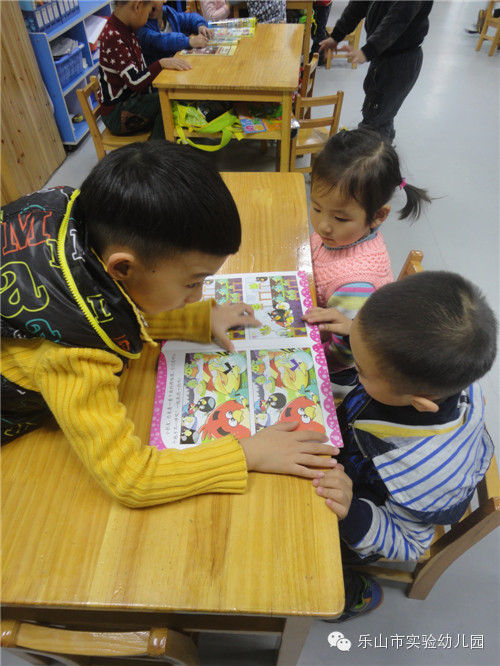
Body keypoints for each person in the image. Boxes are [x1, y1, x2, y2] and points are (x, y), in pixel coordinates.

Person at [0, 141, 337, 508]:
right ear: (123, 267)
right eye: (192, 283)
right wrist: (248, 452)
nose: (198, 294)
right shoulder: (73, 358)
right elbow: (132, 478)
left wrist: (197, 317)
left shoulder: (80, 224)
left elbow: (113, 301)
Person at [309, 271, 497, 621]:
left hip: (364, 515)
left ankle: (352, 595)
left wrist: (352, 512)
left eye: (361, 368)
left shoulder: (426, 472)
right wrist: (357, 333)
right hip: (349, 452)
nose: (356, 369)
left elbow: (408, 542)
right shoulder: (439, 375)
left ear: (419, 402)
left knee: (303, 562)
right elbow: (376, 378)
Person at [303, 128, 431, 381]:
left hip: (331, 361)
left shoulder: (355, 285)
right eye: (316, 208)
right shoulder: (343, 234)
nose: (323, 226)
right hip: (315, 310)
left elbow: (345, 354)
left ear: (377, 216)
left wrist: (306, 362)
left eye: (340, 218)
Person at [319, 1, 434, 142]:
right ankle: (384, 144)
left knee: (374, 123)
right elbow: (359, 4)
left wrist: (368, 51)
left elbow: (398, 19)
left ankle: (375, 151)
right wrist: (337, 35)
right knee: (381, 111)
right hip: (383, 53)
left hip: (400, 59)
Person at [98, 0, 191, 140]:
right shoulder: (113, 36)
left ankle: (163, 145)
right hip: (116, 114)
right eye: (149, 12)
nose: (148, 18)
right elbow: (135, 81)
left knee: (169, 98)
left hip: (132, 102)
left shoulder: (128, 28)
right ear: (137, 6)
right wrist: (161, 64)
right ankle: (155, 150)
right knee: (165, 102)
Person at [138, 1, 214, 66]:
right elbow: (158, 41)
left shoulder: (169, 13)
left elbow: (189, 18)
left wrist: (200, 25)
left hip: (179, 65)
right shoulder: (141, 24)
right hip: (160, 74)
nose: (150, 2)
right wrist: (188, 41)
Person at [310, 1, 332, 66]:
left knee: (319, 31)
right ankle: (315, 54)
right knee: (316, 30)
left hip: (322, 4)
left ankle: (318, 57)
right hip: (320, 3)